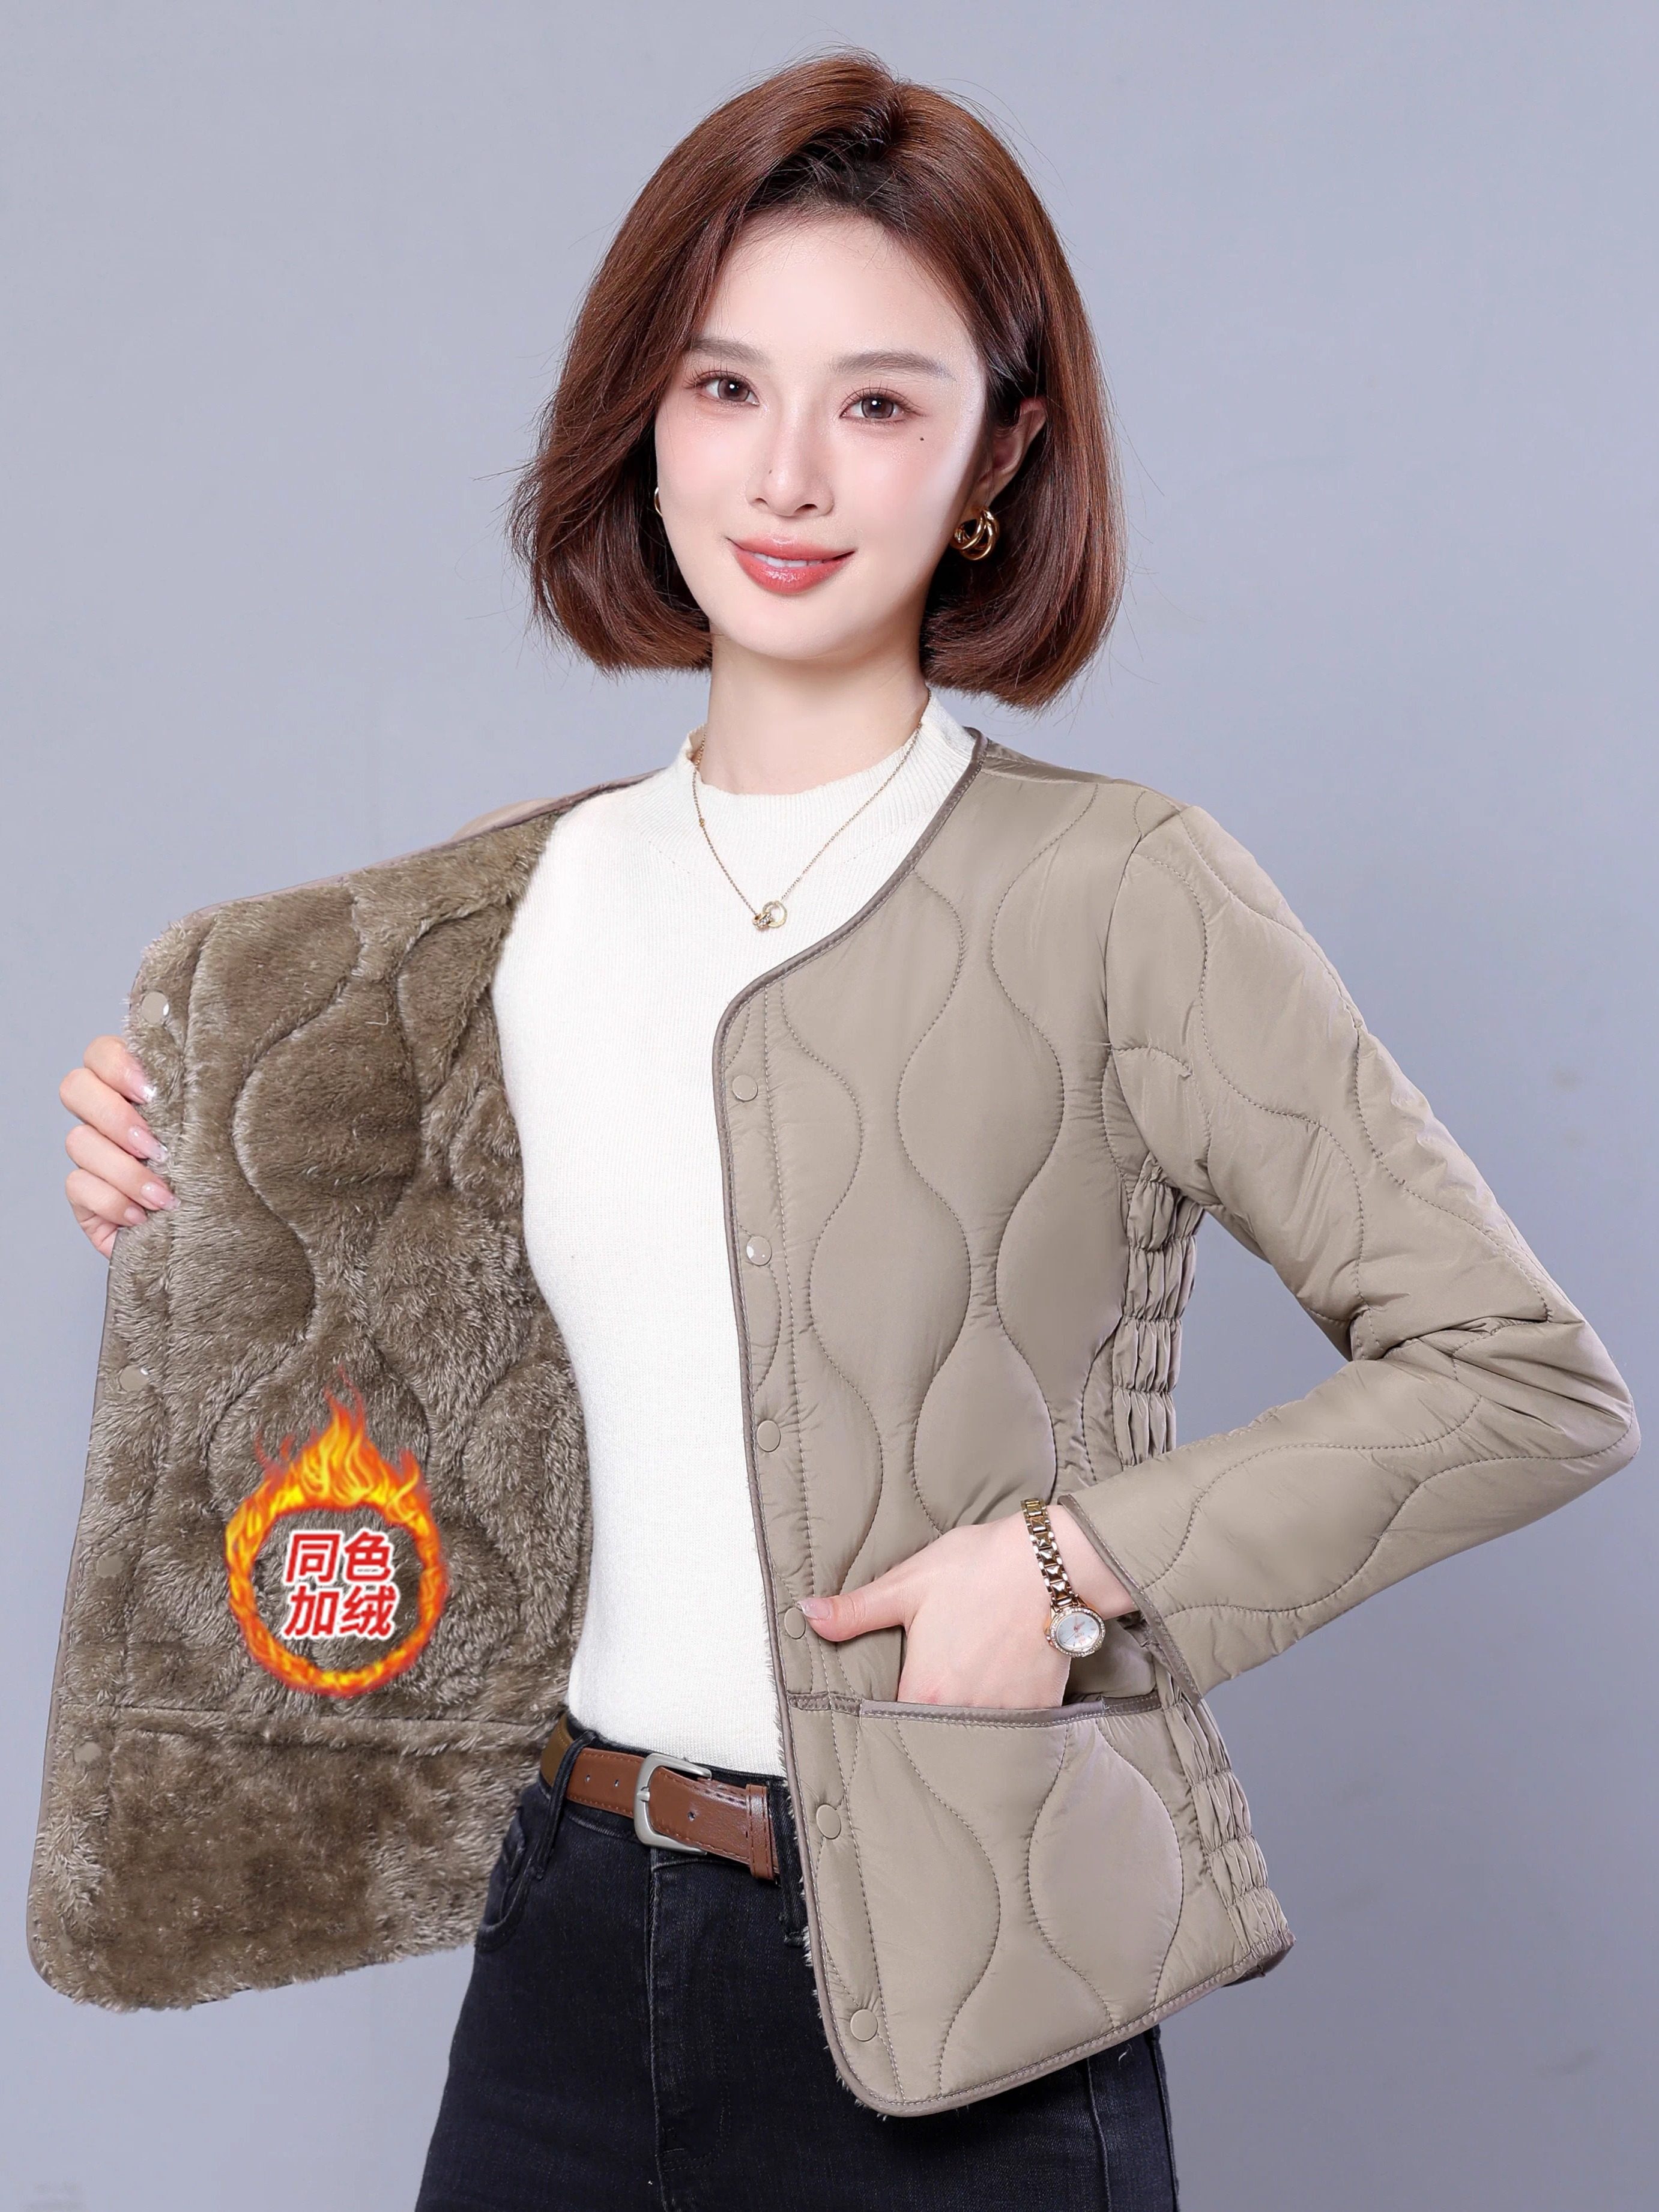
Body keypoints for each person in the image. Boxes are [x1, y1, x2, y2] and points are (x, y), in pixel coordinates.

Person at [50, 51, 1637, 2212]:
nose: (787, 472)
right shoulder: (494, 920)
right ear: (643, 417)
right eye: (724, 387)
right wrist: (175, 1167)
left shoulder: (1124, 891)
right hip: (565, 1943)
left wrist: (1070, 1570)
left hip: (971, 1978)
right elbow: (378, 1398)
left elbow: (1523, 1377)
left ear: (999, 452)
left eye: (879, 402)